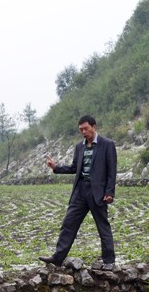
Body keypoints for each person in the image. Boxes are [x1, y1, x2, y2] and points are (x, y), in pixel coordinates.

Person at [39, 115, 117, 270]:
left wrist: (109, 192)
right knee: (68, 224)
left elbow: (111, 171)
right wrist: (56, 168)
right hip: (80, 191)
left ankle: (109, 261)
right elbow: (75, 167)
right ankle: (58, 258)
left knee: (103, 226)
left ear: (94, 127)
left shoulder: (107, 145)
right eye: (81, 129)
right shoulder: (79, 147)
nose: (84, 132)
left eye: (86, 128)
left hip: (98, 192)